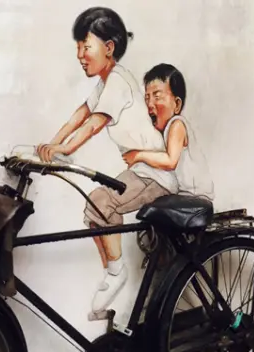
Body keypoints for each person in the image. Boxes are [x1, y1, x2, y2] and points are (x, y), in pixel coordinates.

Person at [36, 7, 178, 319]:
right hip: (140, 172)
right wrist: (49, 146)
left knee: (103, 202)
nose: (80, 55)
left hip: (155, 175)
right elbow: (81, 114)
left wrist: (63, 148)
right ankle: (112, 270)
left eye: (85, 46)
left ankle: (116, 272)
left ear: (109, 48)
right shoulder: (105, 83)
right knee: (95, 206)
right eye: (78, 47)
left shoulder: (119, 81)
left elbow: (95, 123)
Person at [123, 63, 215, 201]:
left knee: (151, 208)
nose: (150, 104)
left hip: (196, 198)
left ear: (177, 104)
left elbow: (170, 161)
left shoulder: (177, 125)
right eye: (147, 98)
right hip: (184, 196)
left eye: (157, 97)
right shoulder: (163, 132)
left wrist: (138, 155)